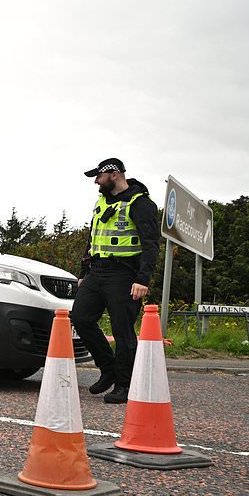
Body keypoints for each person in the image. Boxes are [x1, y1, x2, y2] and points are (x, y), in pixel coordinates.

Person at [71, 158, 160, 404]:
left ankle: (124, 384)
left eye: (98, 177)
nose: (96, 182)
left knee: (122, 330)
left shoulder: (140, 203)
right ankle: (108, 368)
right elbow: (93, 239)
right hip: (96, 271)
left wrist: (143, 279)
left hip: (124, 273)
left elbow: (151, 244)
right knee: (80, 318)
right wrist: (83, 272)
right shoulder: (101, 202)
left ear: (113, 174)